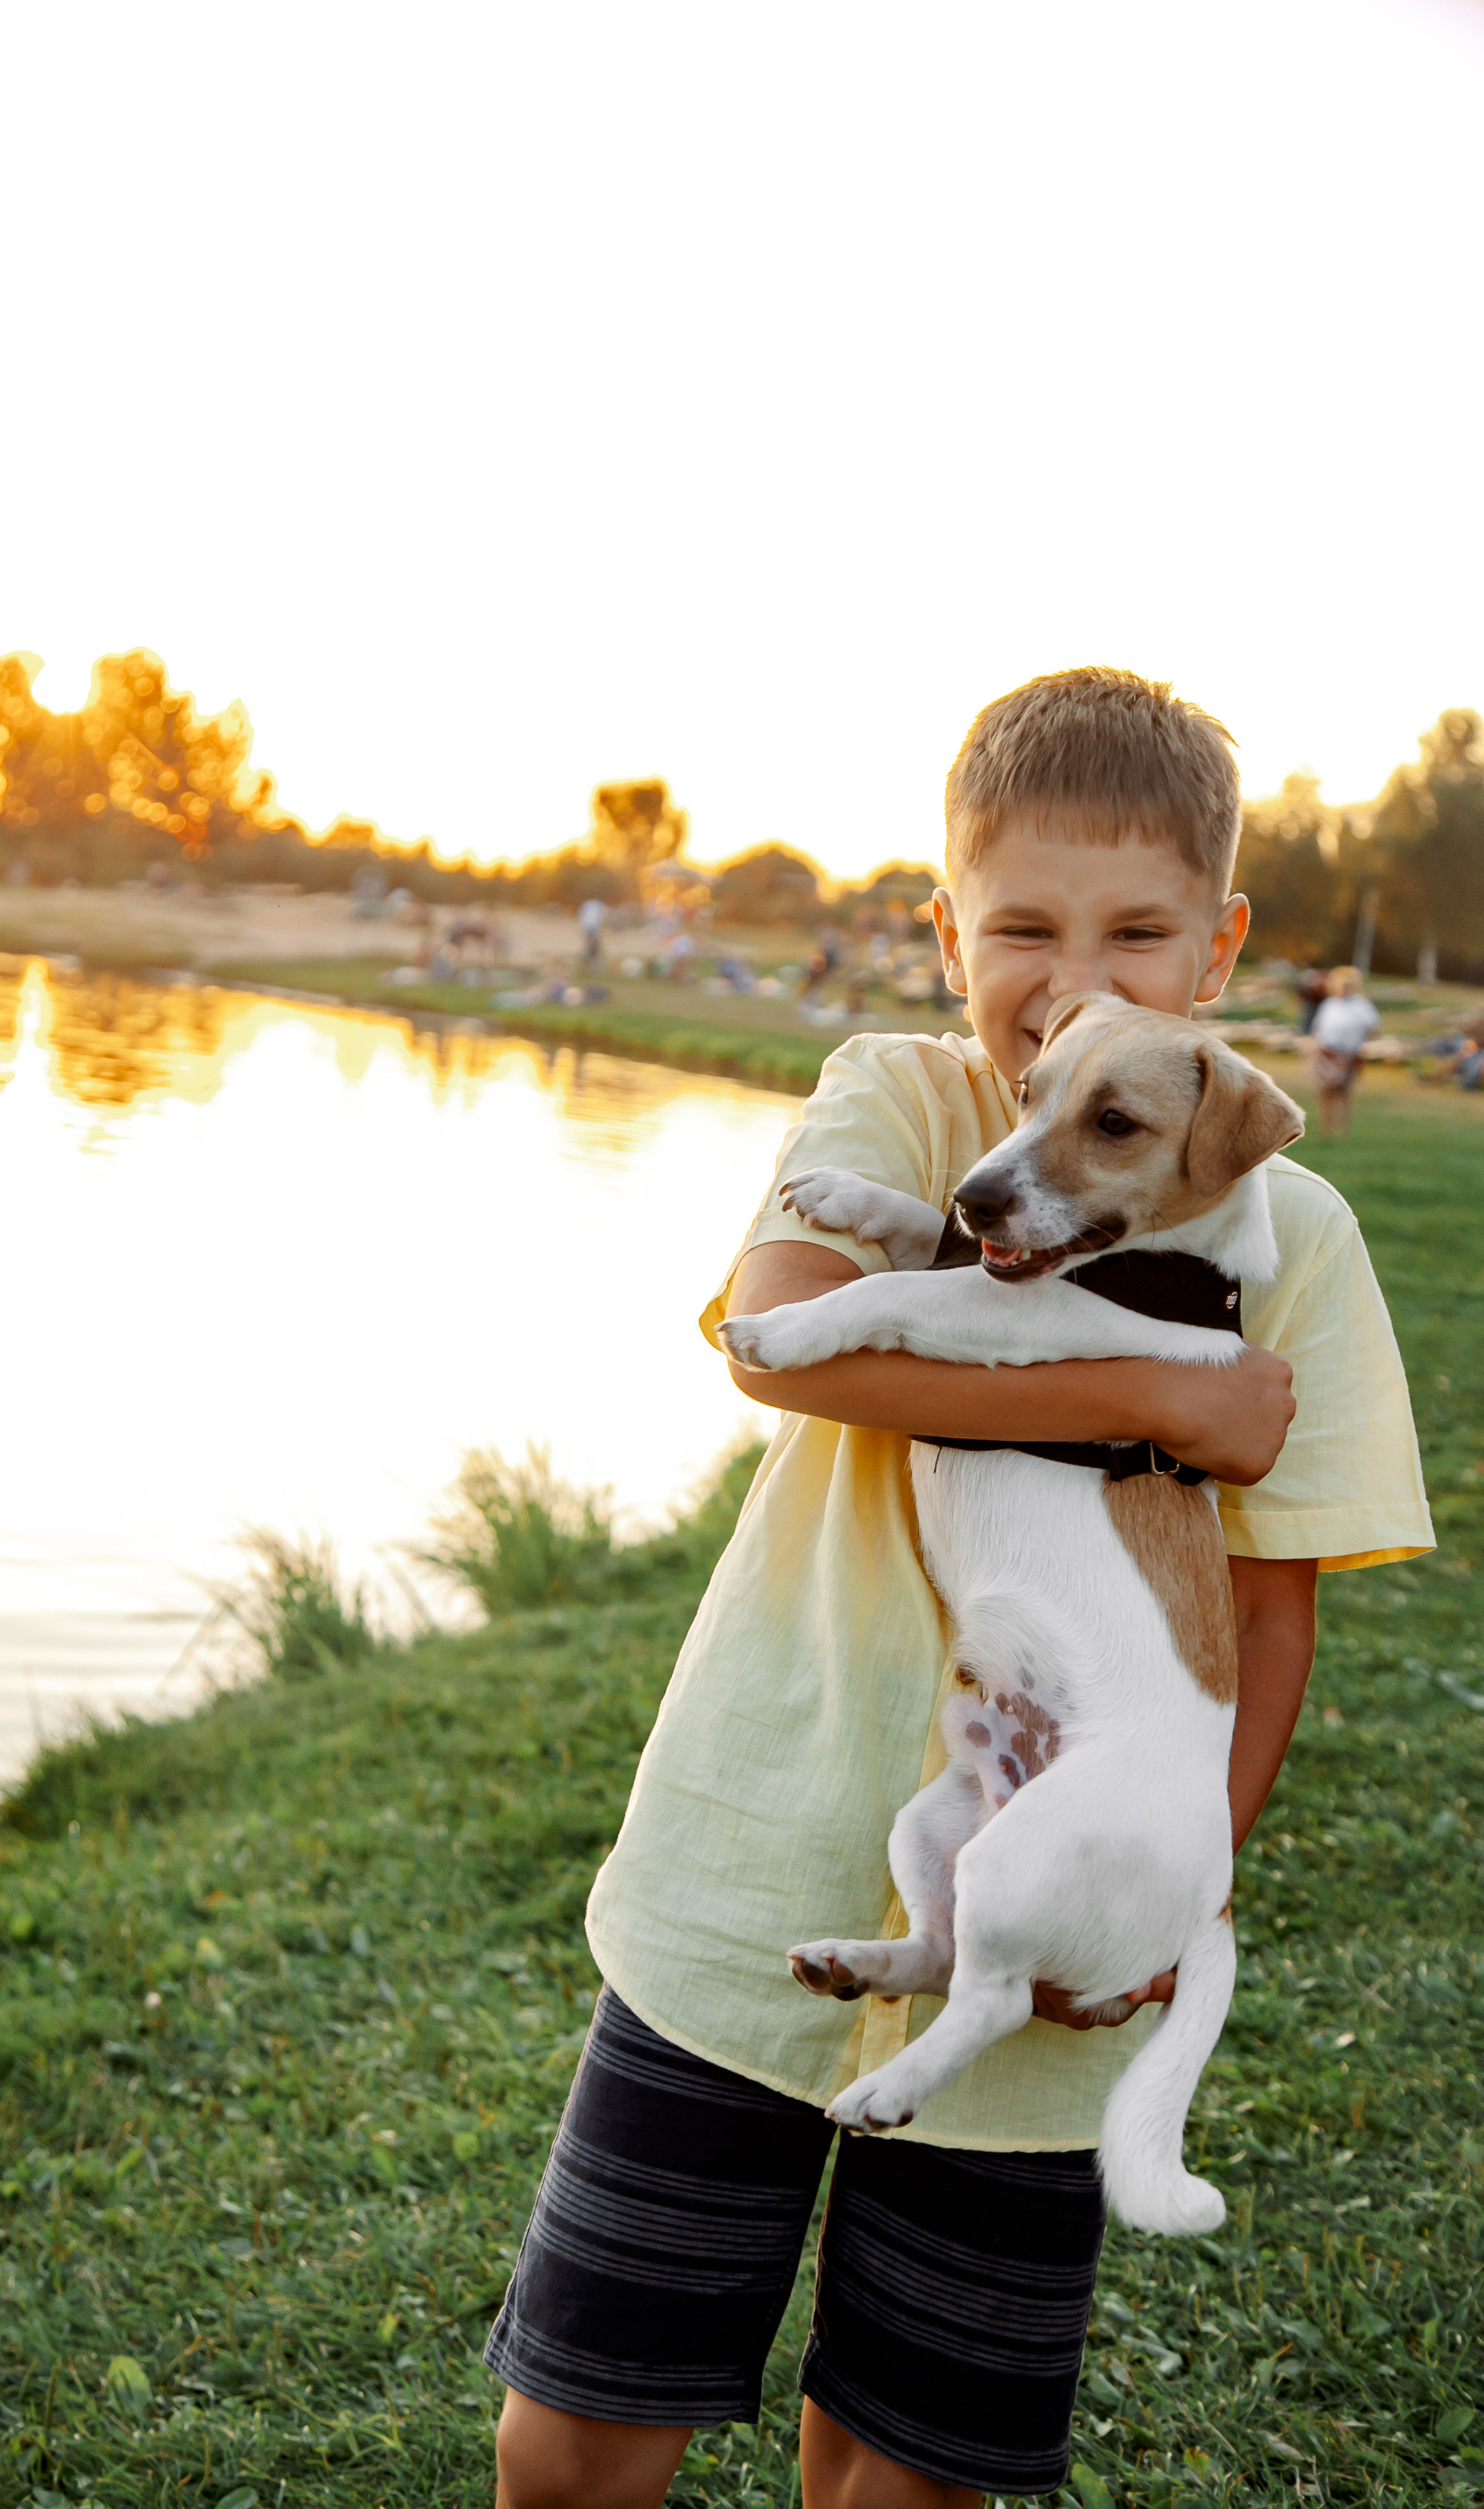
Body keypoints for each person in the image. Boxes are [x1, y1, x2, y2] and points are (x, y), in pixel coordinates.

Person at [488, 668, 1432, 2509]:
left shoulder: (1295, 1233)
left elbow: (1278, 1608)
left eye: (1140, 931)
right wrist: (1164, 1394)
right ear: (949, 935)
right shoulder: (905, 1109)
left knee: (910, 2467)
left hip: (1070, 1903)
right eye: (1024, 926)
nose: (1078, 973)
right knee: (581, 2432)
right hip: (753, 1865)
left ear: (1223, 944)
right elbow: (783, 1340)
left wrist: (1177, 1896)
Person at [1306, 965, 1380, 1136]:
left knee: (1343, 1091)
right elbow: (1319, 1027)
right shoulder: (1329, 1004)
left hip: (1349, 1052)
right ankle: (1325, 1126)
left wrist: (1362, 1044)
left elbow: (1373, 1029)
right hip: (1328, 1052)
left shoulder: (1362, 1006)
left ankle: (1342, 1128)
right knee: (1325, 1091)